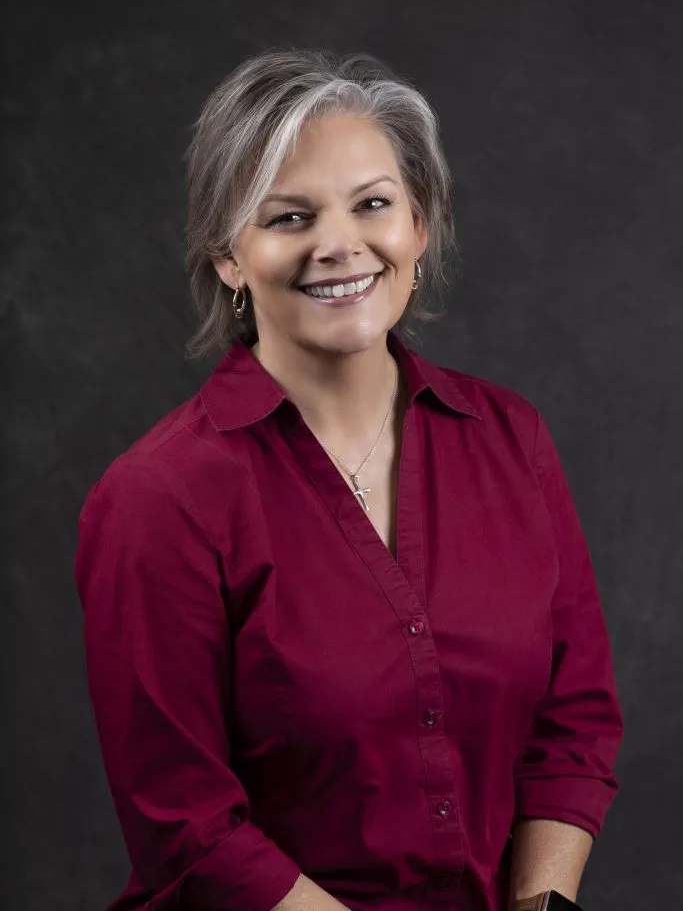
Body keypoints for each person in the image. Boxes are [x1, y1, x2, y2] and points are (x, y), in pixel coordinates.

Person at [74, 48, 623, 911]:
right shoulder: (159, 496)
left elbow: (573, 724)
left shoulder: (511, 439)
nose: (339, 245)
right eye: (289, 217)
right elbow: (184, 822)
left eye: (372, 204)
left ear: (420, 224)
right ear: (228, 255)